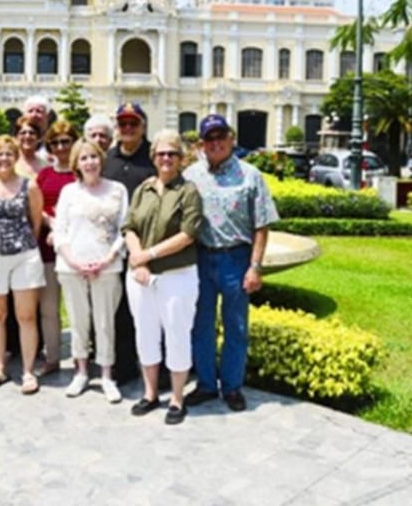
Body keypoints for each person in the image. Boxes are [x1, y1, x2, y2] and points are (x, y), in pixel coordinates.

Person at [183, 114, 280, 412]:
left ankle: (233, 386)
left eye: (221, 136)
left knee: (236, 325)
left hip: (236, 259)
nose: (216, 143)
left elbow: (261, 225)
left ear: (231, 138)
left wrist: (255, 267)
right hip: (201, 257)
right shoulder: (191, 175)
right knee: (201, 325)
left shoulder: (250, 175)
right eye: (209, 138)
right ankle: (207, 384)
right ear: (201, 144)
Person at [123, 129, 202, 425]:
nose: (166, 158)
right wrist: (138, 259)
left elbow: (188, 234)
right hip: (141, 277)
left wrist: (149, 255)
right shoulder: (143, 189)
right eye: (161, 153)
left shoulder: (188, 191)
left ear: (181, 159)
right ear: (153, 157)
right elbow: (129, 226)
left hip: (176, 276)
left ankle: (178, 398)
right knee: (145, 335)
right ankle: (150, 392)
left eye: (172, 153)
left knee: (177, 335)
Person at [53, 139, 129, 403]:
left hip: (107, 266)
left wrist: (108, 258)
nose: (90, 163)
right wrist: (74, 261)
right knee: (78, 321)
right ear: (76, 164)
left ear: (101, 159)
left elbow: (125, 228)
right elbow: (59, 230)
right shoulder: (68, 193)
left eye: (94, 157)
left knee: (105, 322)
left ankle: (107, 375)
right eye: (83, 158)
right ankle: (82, 372)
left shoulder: (117, 190)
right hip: (72, 267)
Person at [0, 134, 45, 394]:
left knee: (26, 316)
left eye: (9, 153)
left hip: (24, 255)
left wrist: (20, 243)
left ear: (16, 157)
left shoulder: (29, 186)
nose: (4, 159)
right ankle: (0, 367)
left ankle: (27, 370)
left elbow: (36, 222)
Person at [102, 102, 156, 385]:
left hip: (148, 248)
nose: (127, 128)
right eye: (122, 124)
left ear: (143, 127)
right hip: (113, 248)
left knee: (150, 310)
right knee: (119, 310)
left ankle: (156, 368)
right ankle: (124, 365)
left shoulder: (154, 159)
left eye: (133, 124)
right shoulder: (107, 160)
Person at [34, 120, 79, 377]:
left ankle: (79, 358)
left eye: (66, 141)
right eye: (55, 142)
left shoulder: (81, 173)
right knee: (49, 308)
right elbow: (35, 204)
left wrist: (63, 226)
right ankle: (52, 357)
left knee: (77, 309)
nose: (61, 147)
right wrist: (49, 222)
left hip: (78, 251)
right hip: (48, 251)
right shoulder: (45, 175)